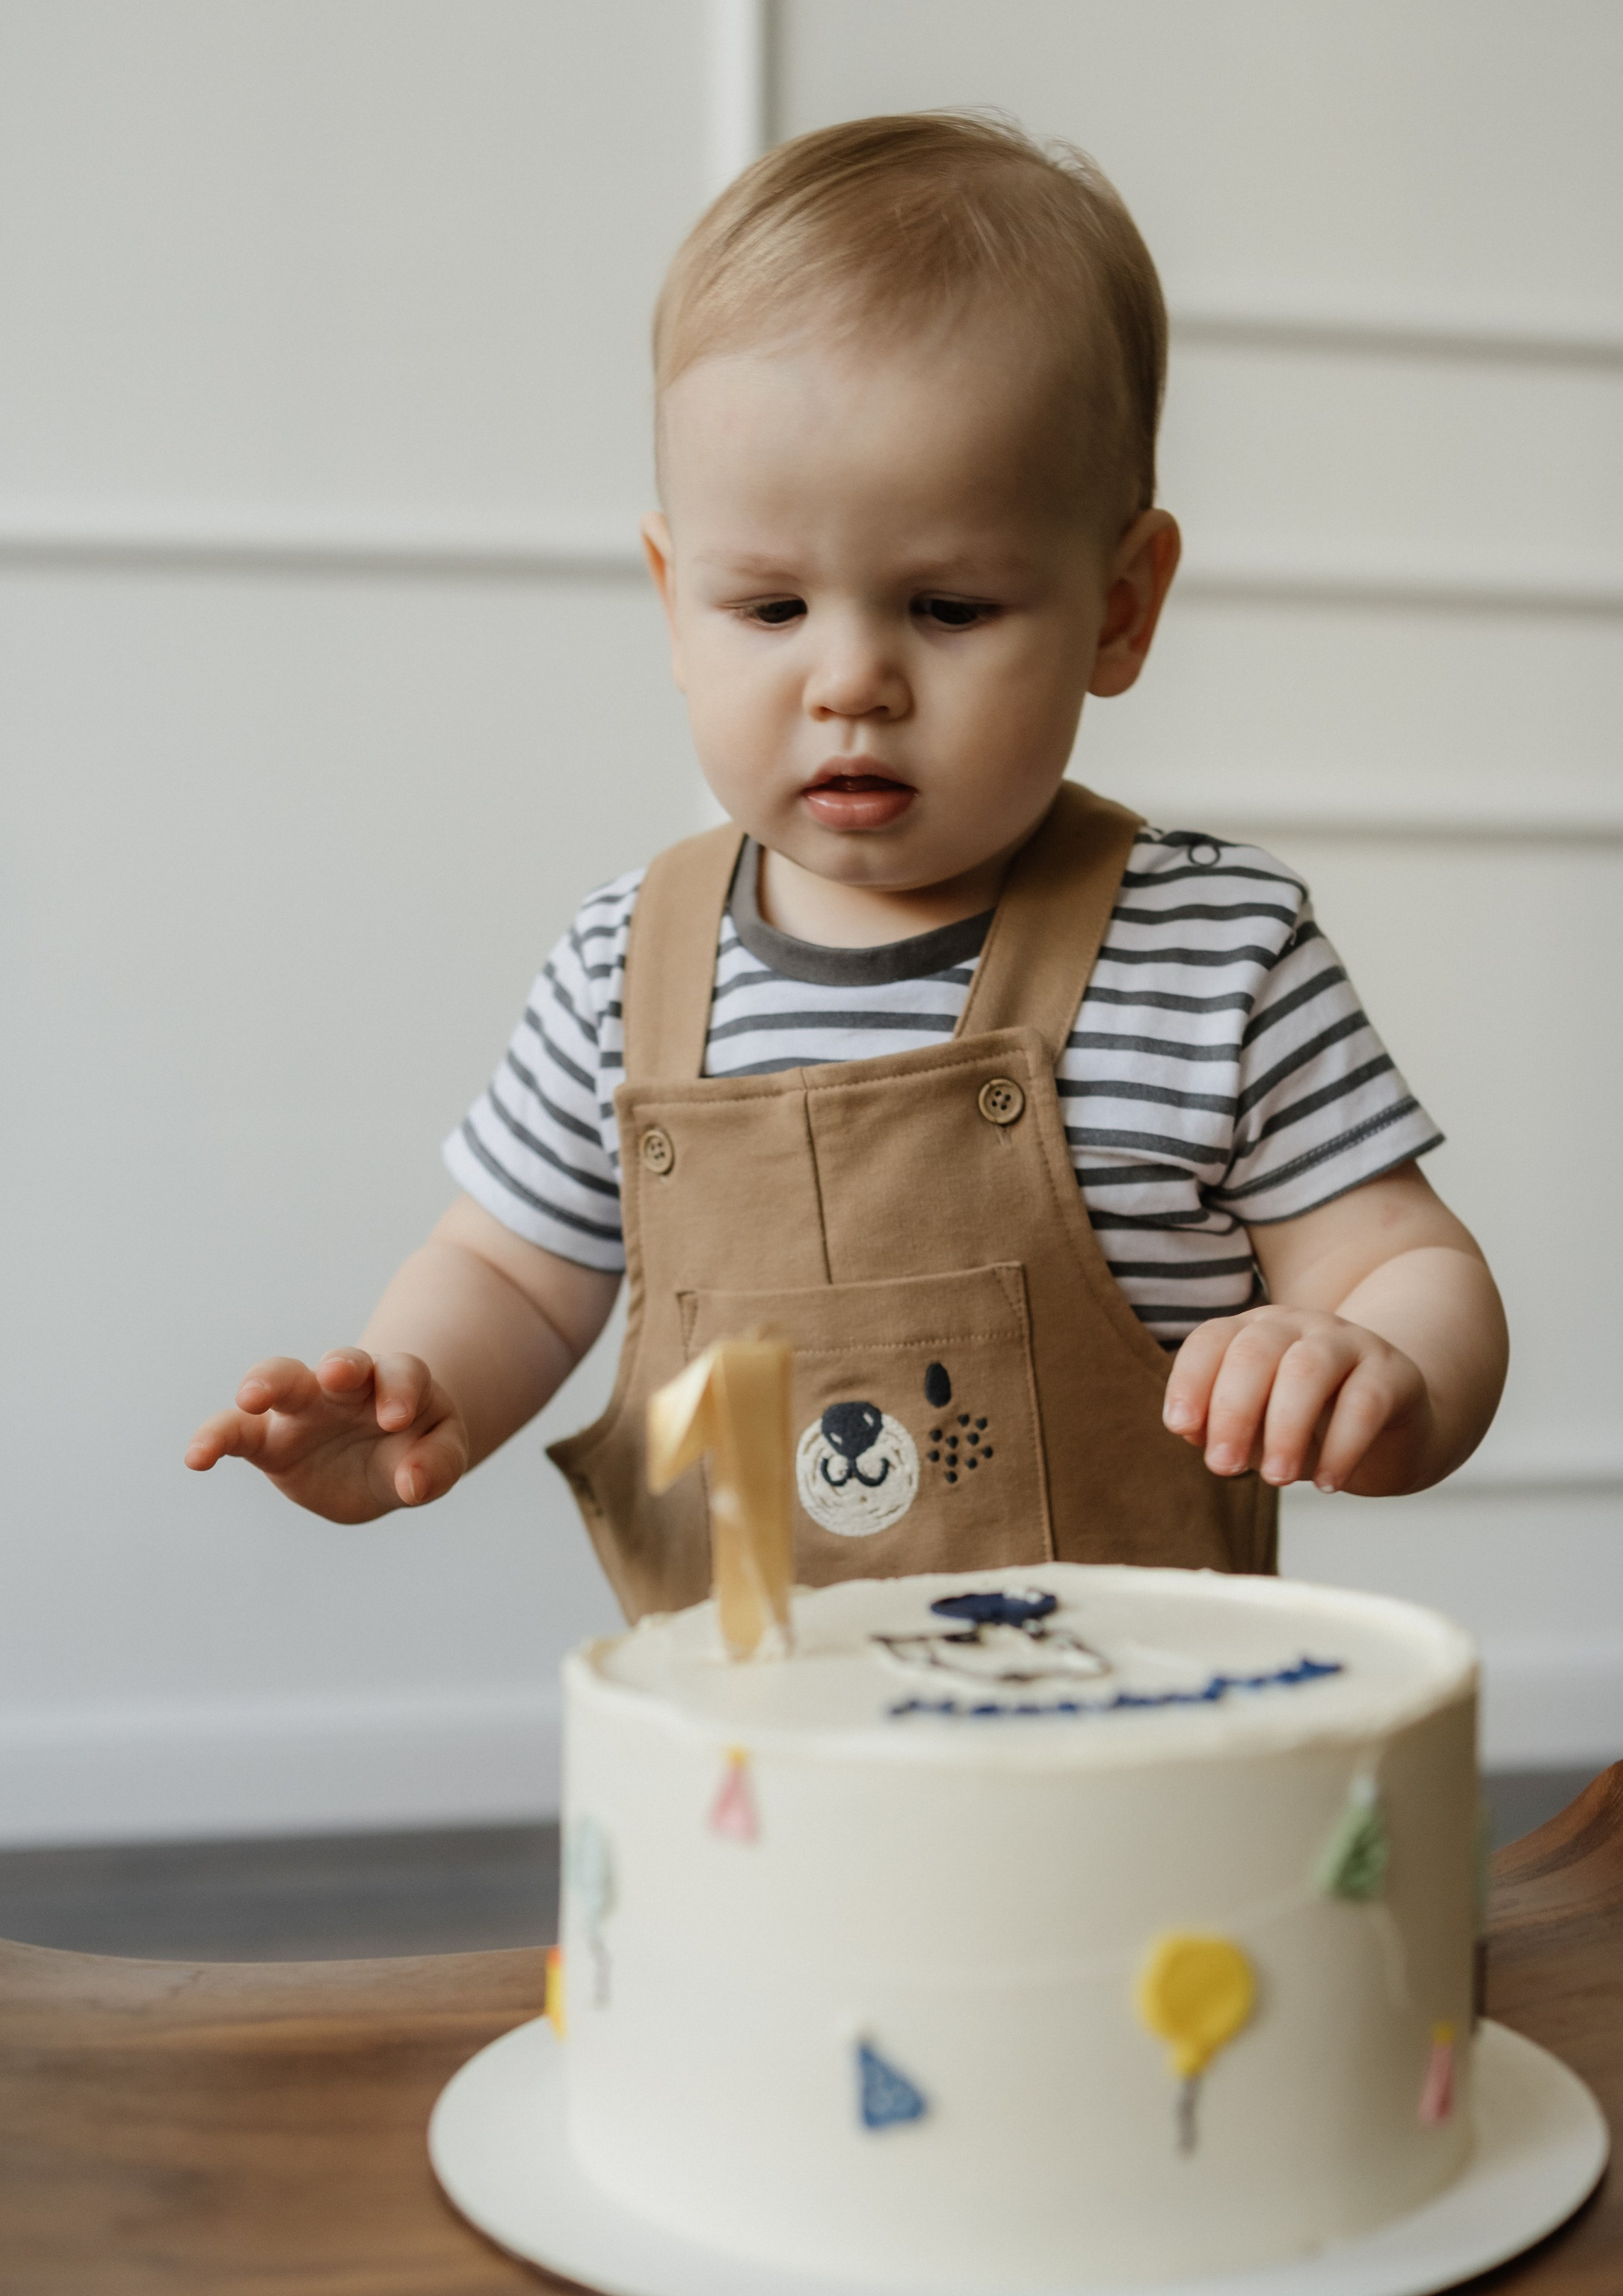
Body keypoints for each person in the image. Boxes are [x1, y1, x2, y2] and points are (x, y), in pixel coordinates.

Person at [187, 114, 1507, 1608]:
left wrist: (1376, 1366)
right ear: (673, 598)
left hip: (1124, 1764)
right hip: (758, 1773)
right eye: (767, 611)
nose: (850, 682)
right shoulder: (627, 967)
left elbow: (1403, 1264)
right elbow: (509, 1271)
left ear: (1119, 608)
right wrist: (414, 1391)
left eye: (944, 608)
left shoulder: (1215, 954)